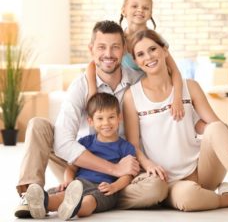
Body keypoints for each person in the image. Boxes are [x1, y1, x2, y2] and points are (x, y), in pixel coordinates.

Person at [123, 29, 228, 217]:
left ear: (165, 50)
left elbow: (216, 125)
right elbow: (133, 144)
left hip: (202, 171)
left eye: (153, 49)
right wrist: (148, 165)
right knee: (188, 199)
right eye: (140, 54)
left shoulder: (190, 86)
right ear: (136, 61)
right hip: (169, 182)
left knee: (215, 127)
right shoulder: (132, 96)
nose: (148, 56)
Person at [14, 21, 168, 218]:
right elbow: (62, 143)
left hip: (121, 174)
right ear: (91, 50)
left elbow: (165, 71)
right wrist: (113, 168)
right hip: (81, 168)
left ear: (124, 50)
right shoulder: (80, 86)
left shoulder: (137, 80)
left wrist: (123, 171)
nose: (109, 54)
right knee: (38, 125)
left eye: (115, 47)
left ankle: (89, 197)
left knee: (157, 188)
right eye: (102, 47)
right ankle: (31, 197)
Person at [25, 92, 136, 220]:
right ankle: (42, 204)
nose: (106, 123)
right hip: (79, 184)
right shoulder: (85, 142)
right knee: (58, 193)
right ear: (90, 121)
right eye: (100, 118)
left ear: (119, 117)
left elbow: (128, 175)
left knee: (89, 201)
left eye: (111, 117)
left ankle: (72, 209)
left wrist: (114, 187)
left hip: (104, 188)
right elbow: (72, 167)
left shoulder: (126, 147)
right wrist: (68, 181)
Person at [86, 0, 185, 121]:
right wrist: (93, 93)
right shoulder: (117, 39)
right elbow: (93, 64)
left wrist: (177, 99)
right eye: (134, 6)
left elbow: (175, 71)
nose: (140, 10)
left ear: (150, 14)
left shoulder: (154, 40)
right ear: (123, 10)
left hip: (155, 93)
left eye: (145, 7)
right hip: (131, 94)